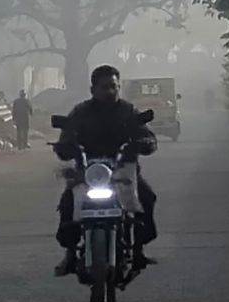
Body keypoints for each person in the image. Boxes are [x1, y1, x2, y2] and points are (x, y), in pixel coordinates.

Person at [52, 65, 158, 277]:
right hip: (88, 173)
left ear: (119, 87)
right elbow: (66, 138)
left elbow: (147, 137)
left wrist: (144, 143)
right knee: (67, 204)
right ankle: (70, 253)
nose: (109, 91)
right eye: (104, 87)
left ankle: (138, 250)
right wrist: (65, 146)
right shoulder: (80, 112)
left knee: (147, 198)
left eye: (113, 86)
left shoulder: (129, 112)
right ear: (93, 89)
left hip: (123, 172)